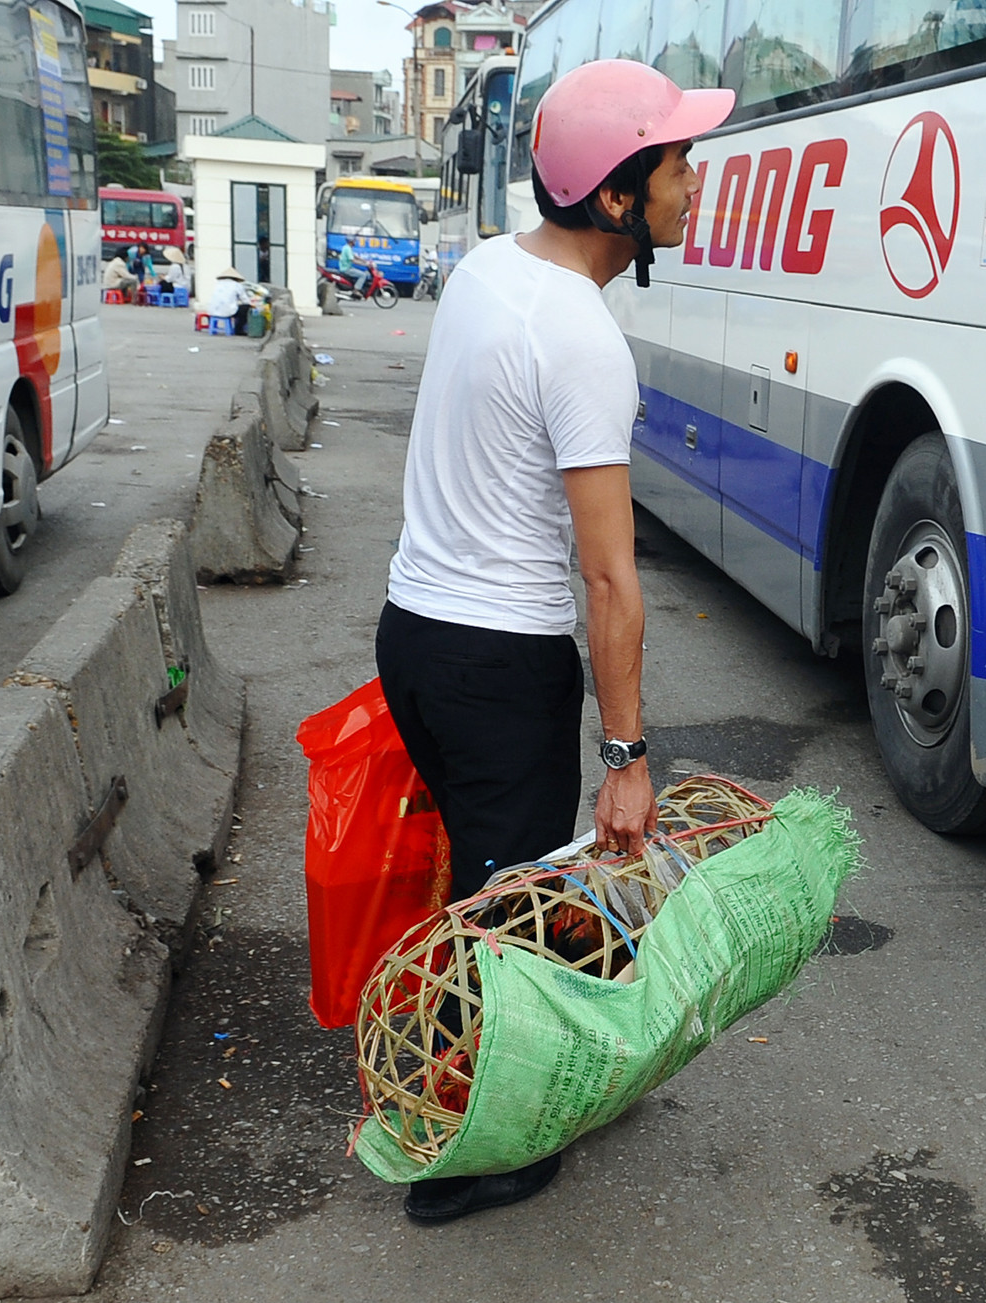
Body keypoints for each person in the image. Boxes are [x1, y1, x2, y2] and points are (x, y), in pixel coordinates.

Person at [373, 58, 730, 1226]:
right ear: (620, 198)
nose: (695, 176)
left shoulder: (487, 269)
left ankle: (462, 1073)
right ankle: (475, 1149)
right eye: (677, 160)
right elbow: (610, 577)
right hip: (496, 666)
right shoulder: (583, 340)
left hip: (415, 635)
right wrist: (627, 755)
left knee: (481, 884)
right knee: (504, 906)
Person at [202, 266, 251, 334]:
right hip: (227, 311)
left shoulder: (218, 284)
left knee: (235, 307)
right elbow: (245, 300)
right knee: (246, 308)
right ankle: (239, 329)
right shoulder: (237, 285)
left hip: (212, 311)